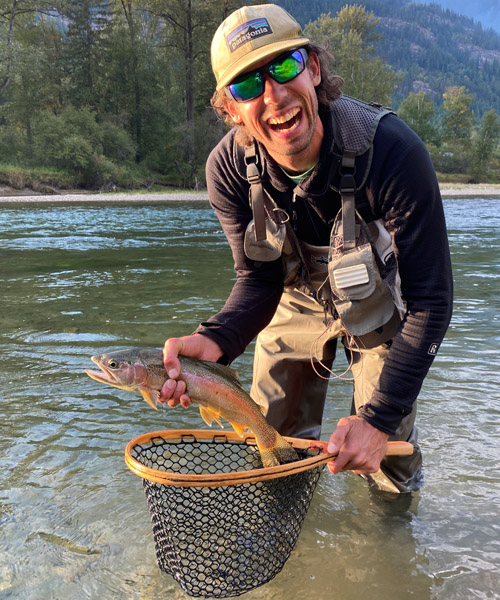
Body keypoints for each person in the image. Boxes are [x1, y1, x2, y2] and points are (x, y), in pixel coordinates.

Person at [159, 3, 453, 493]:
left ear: (313, 68)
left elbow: (431, 301)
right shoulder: (228, 170)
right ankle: (290, 519)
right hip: (292, 297)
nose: (273, 94)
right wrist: (216, 341)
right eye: (248, 85)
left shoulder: (394, 152)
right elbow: (258, 278)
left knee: (388, 461)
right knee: (272, 448)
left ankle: (391, 542)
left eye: (284, 67)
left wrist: (378, 420)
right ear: (230, 108)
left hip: (377, 299)